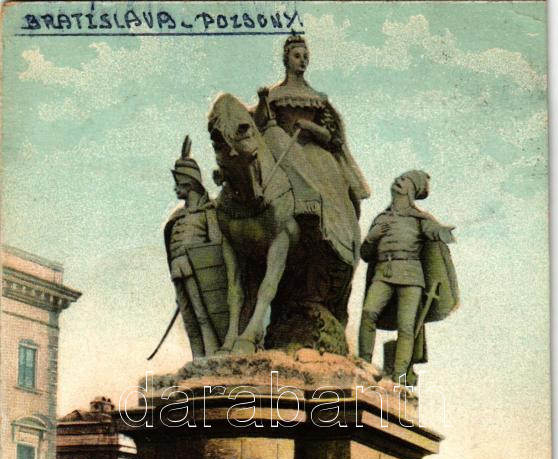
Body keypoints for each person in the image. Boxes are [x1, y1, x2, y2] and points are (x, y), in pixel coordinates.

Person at [253, 34, 370, 273]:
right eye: (297, 56)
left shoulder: (318, 98)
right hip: (283, 148)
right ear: (286, 59)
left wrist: (310, 127)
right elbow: (260, 126)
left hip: (315, 152)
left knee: (334, 190)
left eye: (306, 57)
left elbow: (331, 136)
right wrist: (262, 101)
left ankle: (332, 234)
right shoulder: (275, 94)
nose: (303, 60)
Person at [358, 170, 458, 383]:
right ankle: (364, 363)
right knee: (368, 313)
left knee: (406, 327)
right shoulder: (381, 219)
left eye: (404, 180)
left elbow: (433, 232)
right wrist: (371, 238)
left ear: (412, 189)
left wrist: (442, 231)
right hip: (383, 273)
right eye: (399, 178)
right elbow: (365, 255)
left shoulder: (420, 219)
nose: (398, 181)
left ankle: (399, 377)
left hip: (411, 278)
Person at [164, 137, 227, 358]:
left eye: (178, 184)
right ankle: (198, 359)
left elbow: (216, 246)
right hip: (178, 269)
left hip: (197, 270)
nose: (175, 188)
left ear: (189, 184)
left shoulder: (208, 212)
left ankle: (211, 355)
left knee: (202, 314)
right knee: (189, 319)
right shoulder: (178, 216)